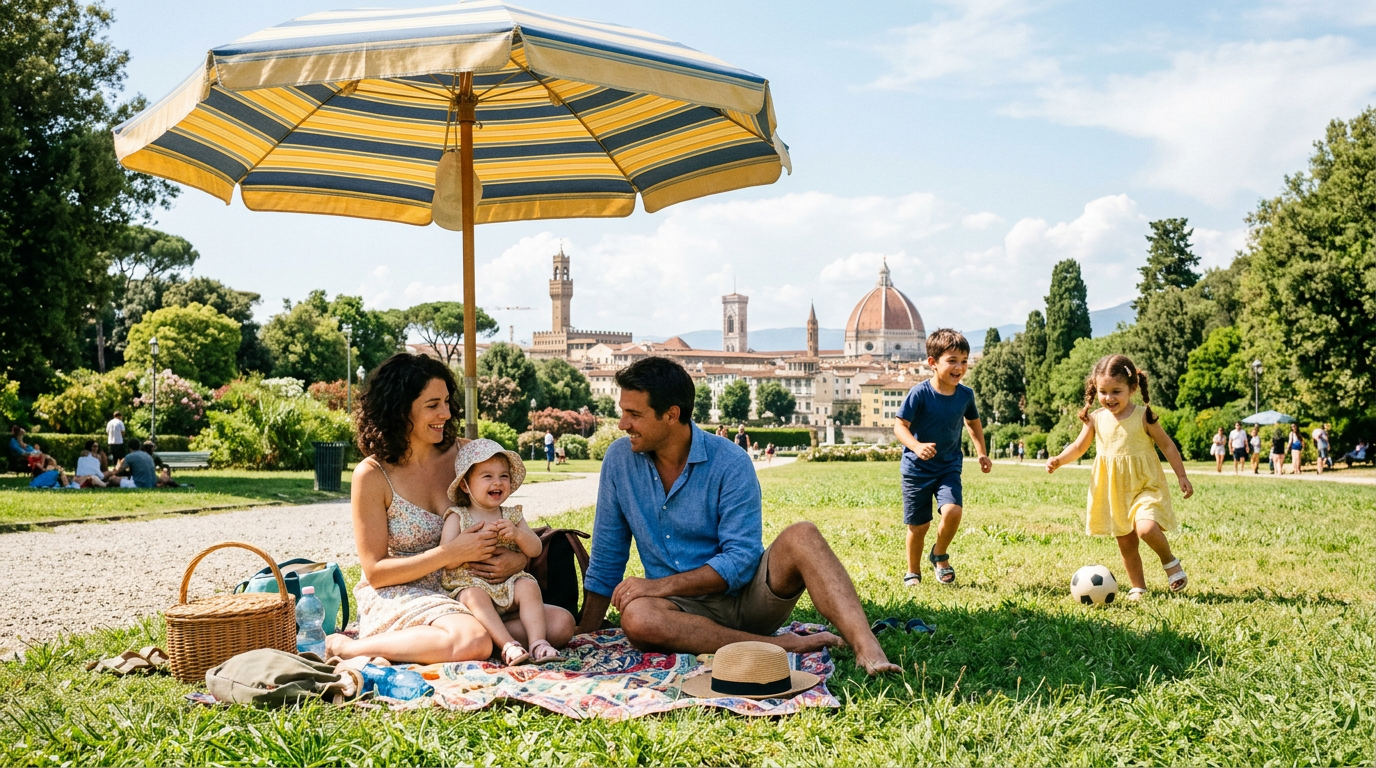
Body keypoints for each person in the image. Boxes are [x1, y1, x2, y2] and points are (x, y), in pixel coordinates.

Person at [575, 356, 900, 675]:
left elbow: (742, 559)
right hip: (677, 612)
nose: (622, 424)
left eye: (634, 414)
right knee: (637, 618)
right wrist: (585, 634)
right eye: (623, 413)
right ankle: (779, 646)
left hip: (747, 601)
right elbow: (607, 556)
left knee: (803, 534)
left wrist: (659, 586)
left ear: (671, 415)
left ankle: (867, 648)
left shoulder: (730, 461)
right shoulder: (619, 460)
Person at [324, 353, 573, 663]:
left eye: (446, 401)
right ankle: (348, 648)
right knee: (474, 641)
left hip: (470, 588)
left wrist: (516, 559)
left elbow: (503, 521)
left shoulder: (469, 455)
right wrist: (449, 555)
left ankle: (461, 641)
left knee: (561, 624)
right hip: (406, 592)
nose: (445, 413)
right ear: (400, 410)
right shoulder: (372, 474)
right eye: (432, 405)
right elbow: (375, 572)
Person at [1046, 354, 1192, 600]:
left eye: (1116, 391)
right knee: (1126, 542)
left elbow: (1168, 446)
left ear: (1132, 388)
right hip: (1114, 491)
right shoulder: (1096, 419)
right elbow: (1079, 446)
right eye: (1103, 392)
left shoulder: (1143, 416)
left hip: (1146, 485)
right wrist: (1059, 459)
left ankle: (1170, 563)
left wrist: (1182, 476)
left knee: (1145, 529)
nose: (1109, 398)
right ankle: (1138, 587)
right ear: (1096, 389)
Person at [439, 440, 559, 665]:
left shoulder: (511, 516)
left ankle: (538, 642)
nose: (498, 482)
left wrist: (517, 534)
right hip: (471, 587)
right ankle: (507, 644)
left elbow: (536, 548)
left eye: (504, 476)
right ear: (465, 486)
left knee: (528, 585)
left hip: (507, 586)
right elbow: (446, 560)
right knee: (473, 594)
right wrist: (467, 549)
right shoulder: (458, 517)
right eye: (487, 476)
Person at [892, 329, 991, 587]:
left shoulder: (965, 395)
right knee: (919, 526)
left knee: (953, 511)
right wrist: (915, 446)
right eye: (952, 360)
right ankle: (913, 571)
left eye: (964, 361)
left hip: (948, 467)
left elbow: (973, 423)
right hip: (917, 470)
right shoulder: (920, 393)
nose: (959, 367)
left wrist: (982, 453)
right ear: (933, 363)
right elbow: (899, 426)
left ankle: (939, 553)